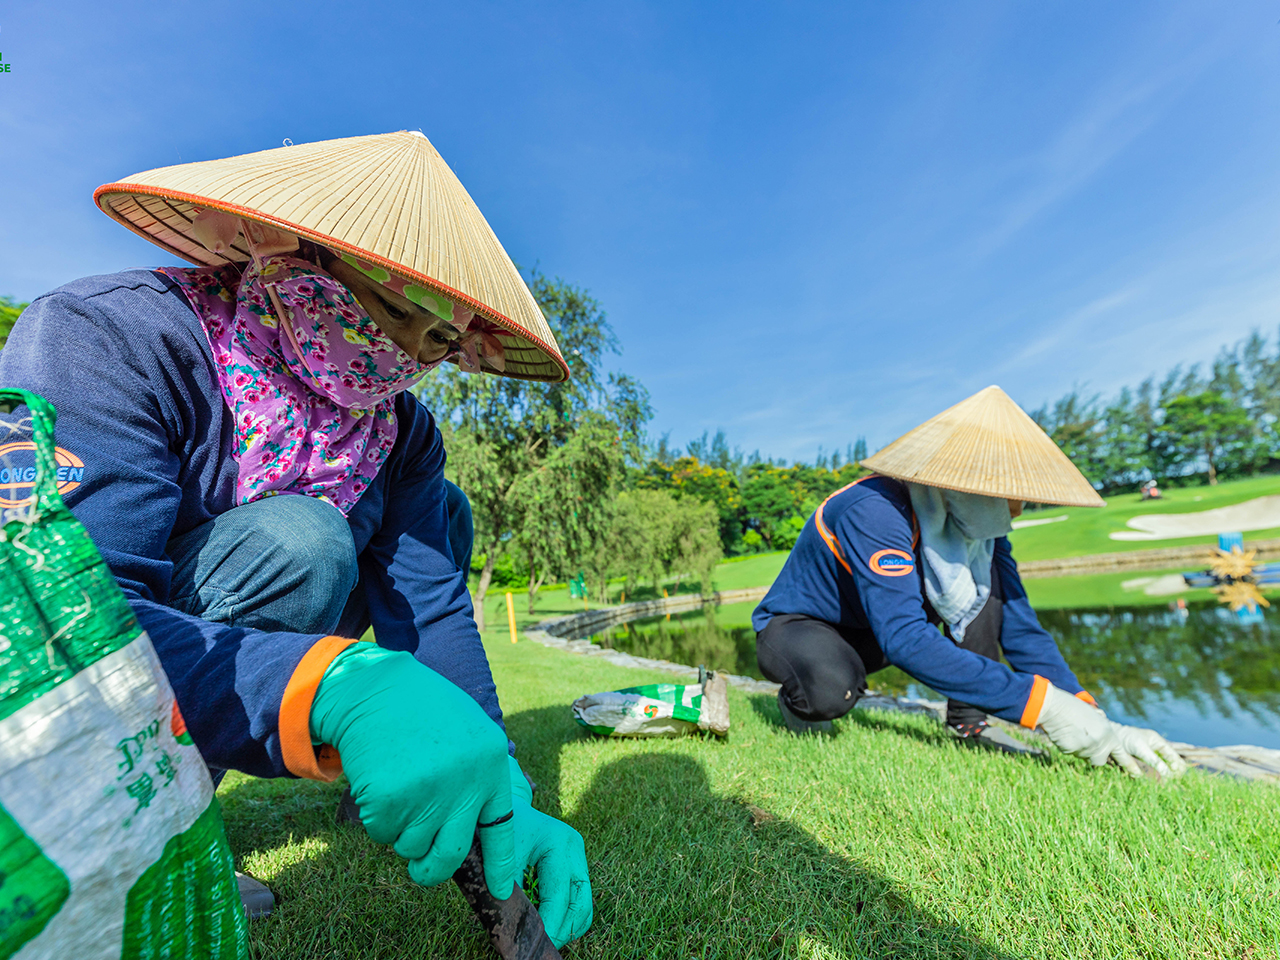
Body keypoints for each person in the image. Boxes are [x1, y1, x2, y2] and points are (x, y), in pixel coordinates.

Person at [0, 131, 592, 945]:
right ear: (286, 255)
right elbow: (72, 615)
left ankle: (312, 787)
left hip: (221, 632)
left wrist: (504, 780)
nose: (420, 355)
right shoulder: (106, 336)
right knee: (302, 543)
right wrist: (334, 687)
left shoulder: (400, 435)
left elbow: (433, 606)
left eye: (443, 342)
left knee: (442, 518)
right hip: (69, 660)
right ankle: (143, 838)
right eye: (398, 312)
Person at [752, 385, 1188, 778]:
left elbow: (1018, 625)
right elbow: (905, 638)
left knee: (987, 595)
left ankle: (969, 725)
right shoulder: (873, 510)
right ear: (968, 485)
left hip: (878, 625)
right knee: (830, 689)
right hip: (804, 626)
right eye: (1012, 494)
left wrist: (1088, 712)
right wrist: (1045, 708)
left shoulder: (980, 530)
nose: (1018, 509)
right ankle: (801, 702)